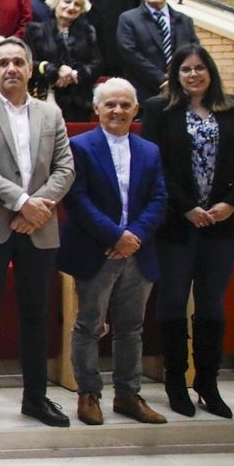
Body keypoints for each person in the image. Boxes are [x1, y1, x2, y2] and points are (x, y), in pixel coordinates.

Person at [0, 36, 76, 429]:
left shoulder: (49, 114)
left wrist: (37, 209)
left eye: (17, 62)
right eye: (2, 62)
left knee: (36, 314)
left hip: (38, 227)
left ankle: (35, 397)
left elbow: (66, 169)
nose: (10, 69)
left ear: (29, 67)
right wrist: (24, 203)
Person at [141, 45, 234, 420]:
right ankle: (176, 382)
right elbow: (155, 164)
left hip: (225, 224)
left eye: (200, 68)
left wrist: (230, 204)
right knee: (173, 301)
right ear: (176, 75)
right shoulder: (159, 110)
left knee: (212, 304)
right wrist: (187, 207)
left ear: (210, 72)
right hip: (179, 223)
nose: (193, 75)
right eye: (185, 70)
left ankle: (207, 383)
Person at [60, 79, 169, 427]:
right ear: (96, 109)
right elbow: (76, 199)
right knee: (89, 325)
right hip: (97, 250)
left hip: (138, 251)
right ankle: (88, 394)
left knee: (131, 328)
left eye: (125, 105)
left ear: (136, 110)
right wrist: (114, 235)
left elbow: (159, 199)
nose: (117, 111)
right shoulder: (79, 146)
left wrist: (133, 235)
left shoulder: (150, 150)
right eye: (110, 105)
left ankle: (127, 395)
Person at [117, 0, 200, 101]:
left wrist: (177, 79)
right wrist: (162, 80)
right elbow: (130, 54)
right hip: (143, 93)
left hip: (181, 91)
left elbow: (194, 52)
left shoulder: (185, 20)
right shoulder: (128, 19)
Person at [26, 0, 101, 122]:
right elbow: (28, 63)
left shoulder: (88, 31)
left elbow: (97, 63)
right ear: (56, 2)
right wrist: (55, 71)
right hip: (44, 96)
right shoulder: (35, 30)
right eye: (67, 2)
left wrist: (73, 74)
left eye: (77, 4)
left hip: (79, 100)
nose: (71, 7)